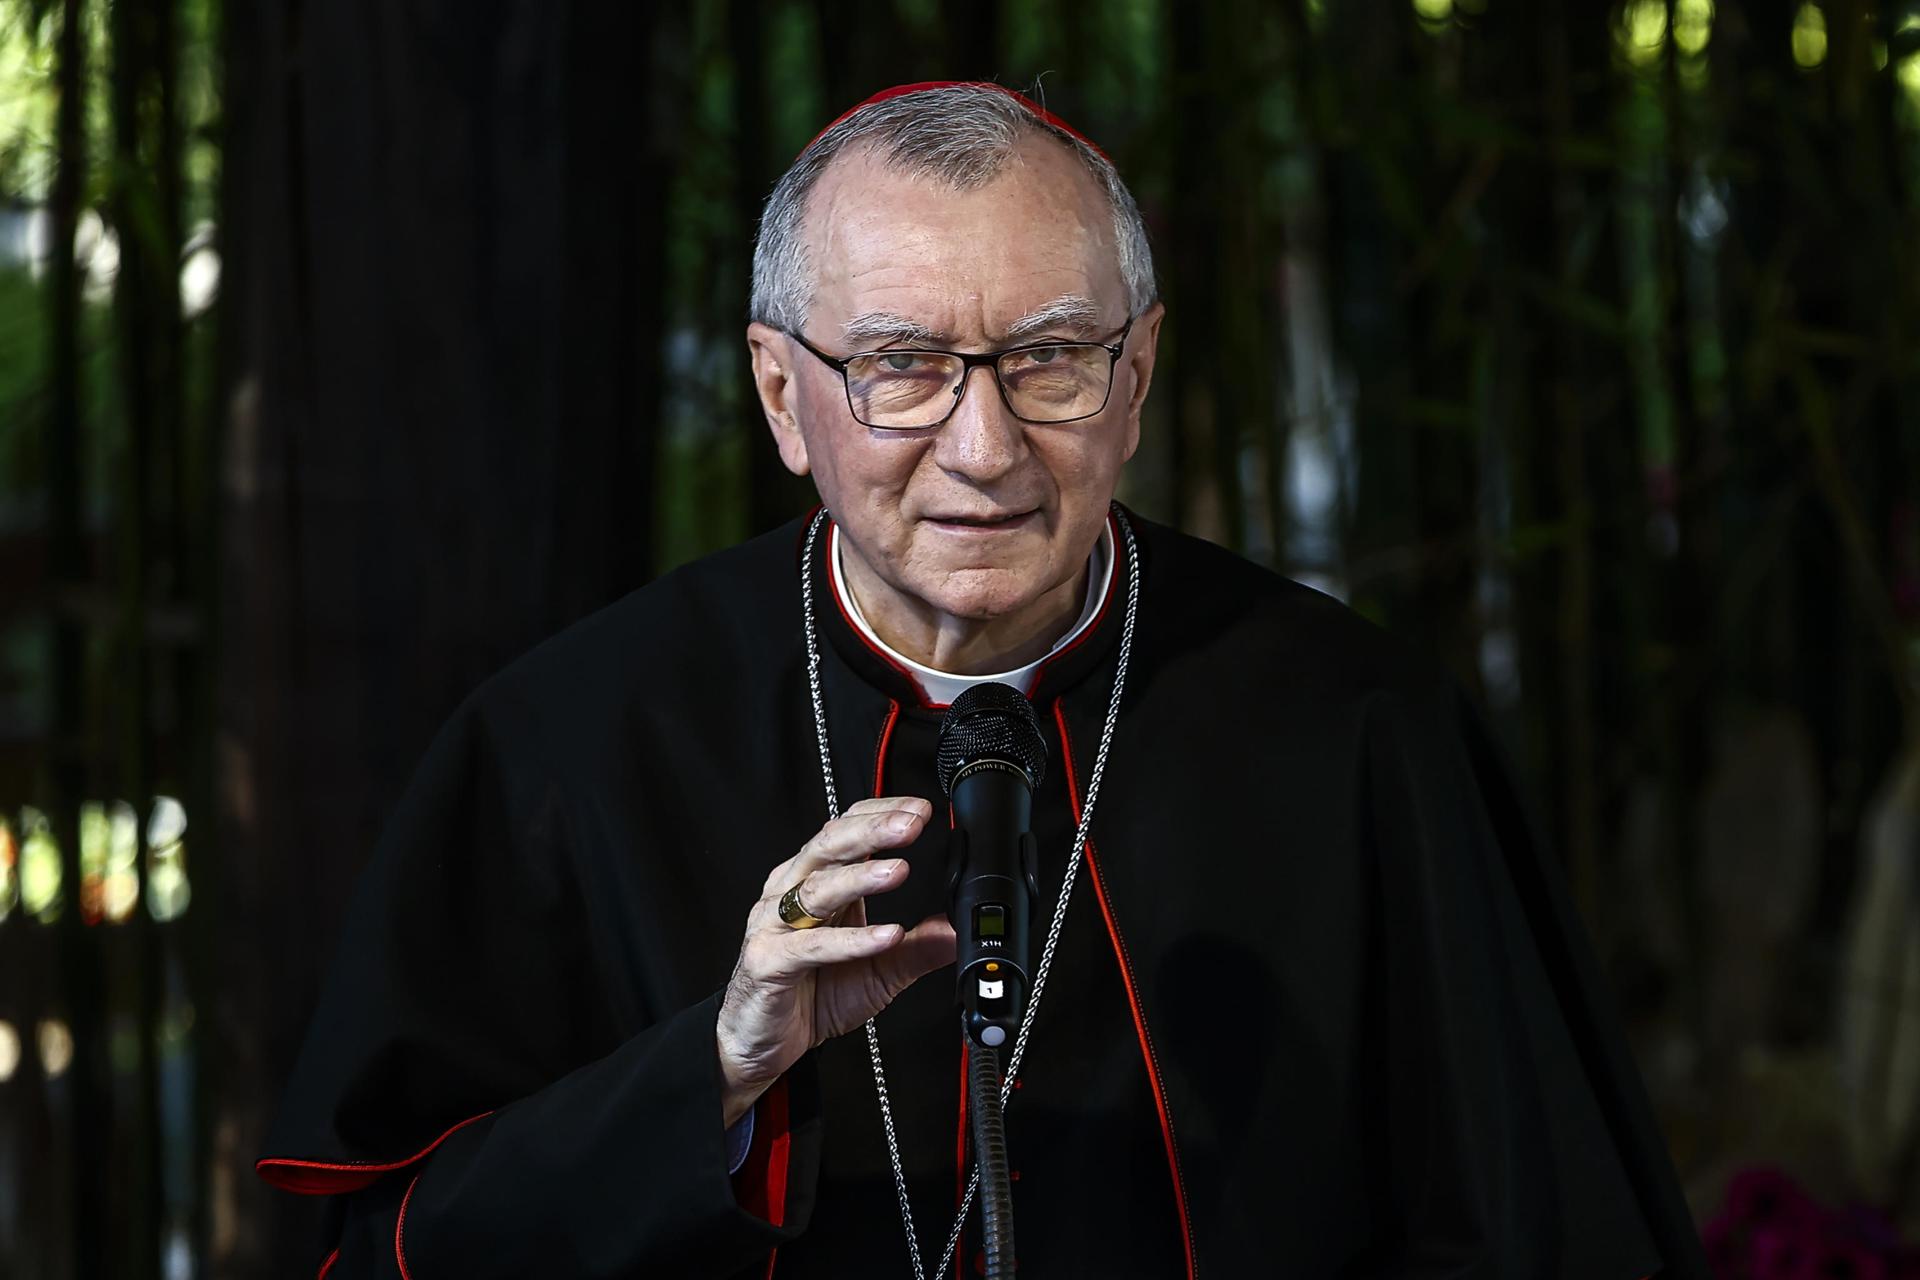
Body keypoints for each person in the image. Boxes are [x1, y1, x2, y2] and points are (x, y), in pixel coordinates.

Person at [257, 81, 1710, 1279]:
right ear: (783, 395)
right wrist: (712, 1068)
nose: (984, 445)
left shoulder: (1356, 733)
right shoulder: (572, 746)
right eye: (900, 366)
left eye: (1051, 360)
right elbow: (379, 1248)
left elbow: (1539, 1227)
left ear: (1136, 378)